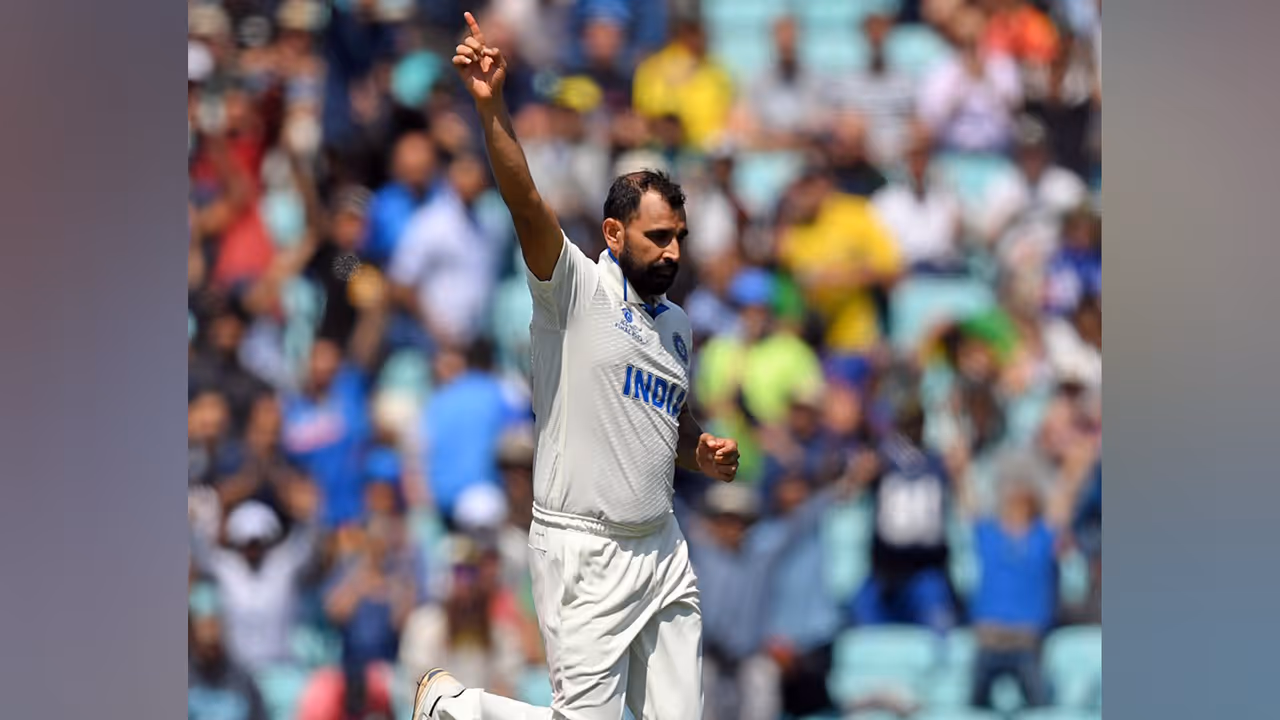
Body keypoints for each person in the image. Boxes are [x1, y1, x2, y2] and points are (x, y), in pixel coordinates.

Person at [413, 14, 740, 720]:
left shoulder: (678, 326)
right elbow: (526, 202)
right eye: (658, 237)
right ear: (614, 234)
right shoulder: (575, 290)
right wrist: (491, 107)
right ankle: (457, 709)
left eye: (679, 238)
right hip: (582, 548)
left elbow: (666, 421)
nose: (673, 252)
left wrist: (701, 451)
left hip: (661, 546)